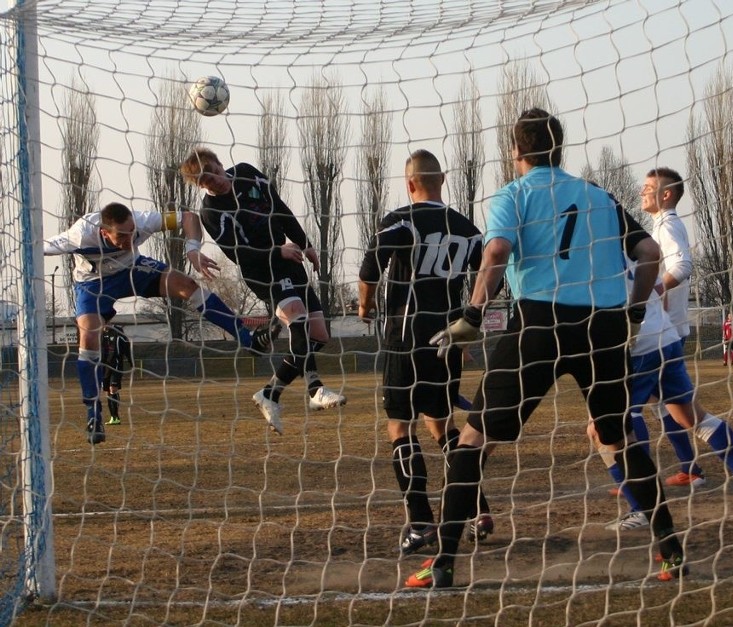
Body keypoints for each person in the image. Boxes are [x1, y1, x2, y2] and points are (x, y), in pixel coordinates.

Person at [404, 108, 686, 588]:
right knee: (620, 438)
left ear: (516, 151)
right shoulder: (598, 195)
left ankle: (445, 562)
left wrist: (471, 316)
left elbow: (496, 253)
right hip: (603, 328)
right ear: (560, 149)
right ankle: (671, 554)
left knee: (472, 439)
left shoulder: (514, 194)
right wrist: (635, 313)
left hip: (539, 322)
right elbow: (649, 254)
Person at [358, 149, 493, 556]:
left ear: (410, 183)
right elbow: (491, 273)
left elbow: (369, 268)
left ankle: (420, 523)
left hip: (405, 339)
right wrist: (470, 318)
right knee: (443, 426)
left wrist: (364, 306)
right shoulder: (467, 229)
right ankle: (477, 510)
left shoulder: (400, 220)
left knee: (401, 427)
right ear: (443, 180)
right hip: (447, 341)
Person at [45, 202, 268, 444]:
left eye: (132, 232)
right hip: (93, 285)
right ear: (103, 233)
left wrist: (192, 249)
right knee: (89, 336)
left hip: (133, 270)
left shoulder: (141, 221)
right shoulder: (80, 235)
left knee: (188, 286)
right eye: (121, 235)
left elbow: (189, 217)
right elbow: (41, 247)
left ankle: (248, 340)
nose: (130, 238)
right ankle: (93, 415)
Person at [180, 148, 346, 435]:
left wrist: (304, 242)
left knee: (319, 334)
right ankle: (315, 390)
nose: (214, 182)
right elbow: (239, 254)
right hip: (261, 271)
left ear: (221, 165)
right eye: (205, 182)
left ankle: (270, 394)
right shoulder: (211, 212)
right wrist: (277, 251)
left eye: (215, 174)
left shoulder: (247, 173)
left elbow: (279, 208)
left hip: (289, 257)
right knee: (297, 319)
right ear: (199, 186)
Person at [598, 270, 733, 533]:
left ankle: (641, 509)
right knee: (691, 417)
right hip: (666, 339)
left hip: (638, 348)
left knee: (604, 427)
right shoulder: (634, 243)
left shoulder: (599, 247)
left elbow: (679, 266)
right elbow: (661, 291)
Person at [634, 168, 706, 489]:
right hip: (667, 328)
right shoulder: (661, 226)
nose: (641, 191)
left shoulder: (668, 224)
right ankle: (690, 468)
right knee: (662, 404)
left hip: (665, 330)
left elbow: (683, 264)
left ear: (666, 195)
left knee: (636, 404)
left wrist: (654, 290)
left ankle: (638, 478)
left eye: (648, 187)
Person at [101, 324, 133, 425]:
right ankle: (113, 417)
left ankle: (116, 417)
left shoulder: (118, 334)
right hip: (105, 367)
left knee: (112, 389)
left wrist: (131, 362)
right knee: (108, 392)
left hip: (116, 365)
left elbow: (127, 347)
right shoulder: (101, 335)